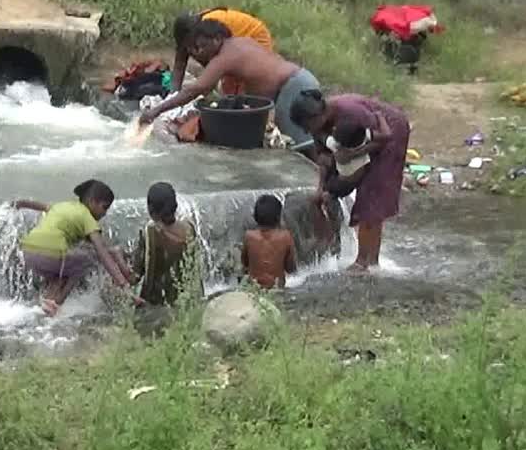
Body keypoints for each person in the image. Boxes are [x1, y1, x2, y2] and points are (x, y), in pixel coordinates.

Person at [139, 19, 321, 157]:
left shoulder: (226, 55)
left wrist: (156, 110)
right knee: (306, 143)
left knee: (302, 150)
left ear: (218, 39)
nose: (200, 52)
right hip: (299, 80)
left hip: (293, 88)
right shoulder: (241, 43)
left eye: (203, 46)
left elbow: (196, 89)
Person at [289, 89, 411, 273]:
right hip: (358, 144)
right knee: (360, 189)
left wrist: (352, 154)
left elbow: (383, 138)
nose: (308, 131)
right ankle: (370, 259)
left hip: (390, 131)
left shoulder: (352, 114)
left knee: (371, 193)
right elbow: (323, 159)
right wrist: (320, 189)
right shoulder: (319, 128)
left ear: (318, 116)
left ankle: (364, 261)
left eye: (308, 126)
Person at [16, 179, 137, 316]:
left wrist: (18, 204)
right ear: (92, 202)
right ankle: (57, 303)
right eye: (104, 207)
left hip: (29, 253)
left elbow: (38, 205)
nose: (105, 213)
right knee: (88, 258)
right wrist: (124, 285)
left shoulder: (63, 205)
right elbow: (102, 253)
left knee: (64, 270)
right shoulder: (86, 217)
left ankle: (48, 304)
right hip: (51, 254)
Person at [127, 182, 203, 306]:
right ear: (175, 205)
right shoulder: (189, 227)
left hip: (156, 304)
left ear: (150, 210)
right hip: (187, 300)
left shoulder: (150, 233)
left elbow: (135, 276)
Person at [172, 8, 274, 96]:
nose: (191, 50)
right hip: (234, 40)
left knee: (242, 83)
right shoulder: (189, 34)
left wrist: (203, 87)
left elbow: (218, 62)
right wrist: (173, 94)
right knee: (229, 90)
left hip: (255, 36)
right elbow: (180, 63)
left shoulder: (208, 26)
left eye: (191, 45)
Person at [241, 194, 297, 290]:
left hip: (254, 290)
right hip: (276, 289)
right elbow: (291, 268)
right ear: (278, 217)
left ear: (255, 216)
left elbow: (245, 264)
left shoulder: (248, 236)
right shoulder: (286, 237)